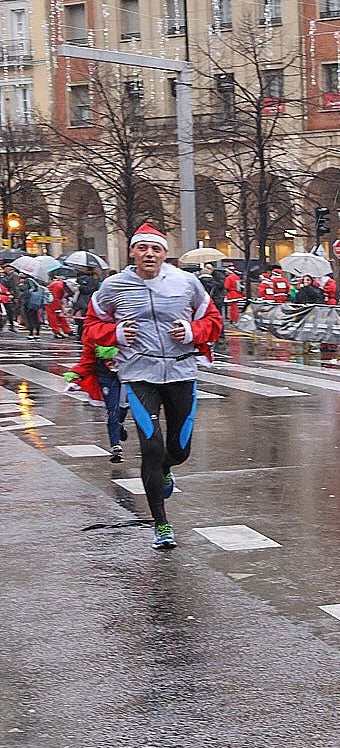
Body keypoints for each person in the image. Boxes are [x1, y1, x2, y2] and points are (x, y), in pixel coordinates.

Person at [89, 225, 222, 549]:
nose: (149, 254)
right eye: (143, 248)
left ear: (165, 253)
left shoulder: (185, 282)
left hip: (180, 372)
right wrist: (117, 334)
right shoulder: (114, 286)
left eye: (156, 249)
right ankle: (161, 525)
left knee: (178, 450)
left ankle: (166, 469)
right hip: (138, 373)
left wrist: (192, 331)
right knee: (150, 447)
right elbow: (92, 326)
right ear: (132, 252)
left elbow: (214, 322)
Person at [62, 303, 127, 461]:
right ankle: (115, 446)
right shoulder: (94, 332)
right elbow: (87, 359)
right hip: (106, 376)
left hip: (129, 376)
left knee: (122, 409)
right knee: (112, 410)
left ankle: (119, 425)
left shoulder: (130, 327)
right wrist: (76, 375)